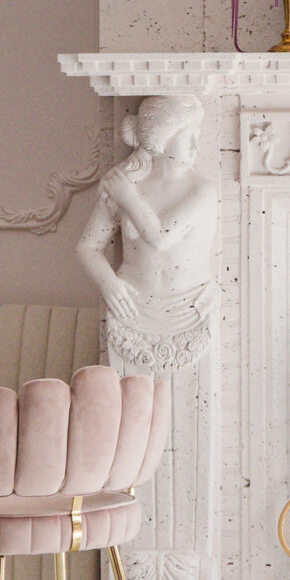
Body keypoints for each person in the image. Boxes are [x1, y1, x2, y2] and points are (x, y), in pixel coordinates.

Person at [76, 93, 217, 372]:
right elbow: (87, 247)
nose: (196, 145)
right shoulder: (125, 182)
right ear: (163, 137)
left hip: (190, 308)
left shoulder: (201, 190)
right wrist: (109, 284)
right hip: (131, 308)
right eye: (188, 135)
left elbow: (161, 237)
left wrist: (128, 197)